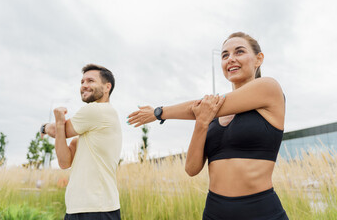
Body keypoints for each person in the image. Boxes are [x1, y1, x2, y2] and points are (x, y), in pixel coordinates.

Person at [127, 32, 289, 220]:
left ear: (258, 59)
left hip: (260, 211)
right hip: (214, 212)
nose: (231, 59)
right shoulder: (210, 115)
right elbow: (192, 169)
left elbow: (195, 107)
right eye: (225, 55)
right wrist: (202, 123)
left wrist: (159, 112)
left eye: (239, 52)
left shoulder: (269, 88)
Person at [40, 64, 122, 220]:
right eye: (82, 82)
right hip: (78, 208)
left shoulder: (97, 110)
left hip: (97, 209)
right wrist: (58, 122)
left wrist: (44, 127)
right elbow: (64, 162)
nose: (84, 85)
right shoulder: (89, 131)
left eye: (90, 81)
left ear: (107, 87)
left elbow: (58, 131)